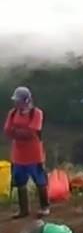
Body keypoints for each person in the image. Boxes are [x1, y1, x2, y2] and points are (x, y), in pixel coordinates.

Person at [5, 86, 48, 219]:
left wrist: (16, 131)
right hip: (18, 154)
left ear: (27, 100)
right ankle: (24, 210)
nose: (17, 103)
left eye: (19, 100)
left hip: (34, 154)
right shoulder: (12, 113)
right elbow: (7, 130)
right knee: (20, 181)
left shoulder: (36, 113)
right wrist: (21, 132)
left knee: (39, 180)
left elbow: (32, 131)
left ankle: (44, 206)